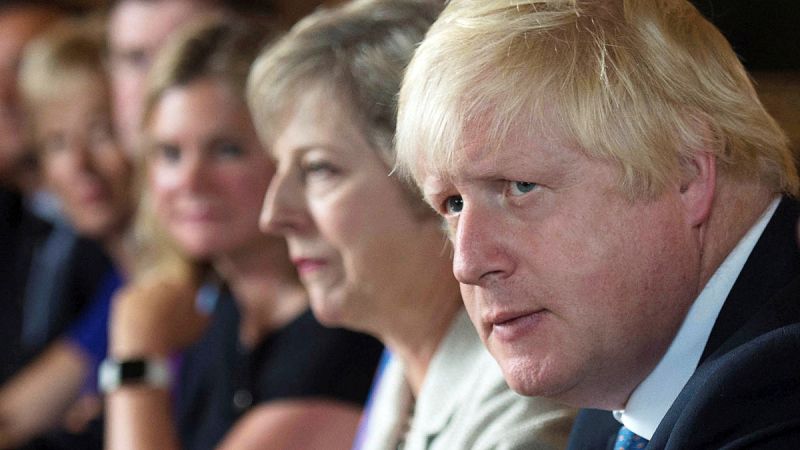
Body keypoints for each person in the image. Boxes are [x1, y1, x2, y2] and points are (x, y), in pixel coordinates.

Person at [392, 0, 800, 448]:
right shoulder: (616, 404)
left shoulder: (779, 395)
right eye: (452, 204)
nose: (467, 264)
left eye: (520, 186)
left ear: (684, 172)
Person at [251, 1, 574, 449]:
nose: (274, 215)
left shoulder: (528, 397)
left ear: (429, 181)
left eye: (318, 169)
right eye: (280, 169)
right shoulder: (400, 376)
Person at [105, 15, 382, 450]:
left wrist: (135, 364)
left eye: (227, 150)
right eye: (170, 153)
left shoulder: (344, 329)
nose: (191, 183)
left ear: (290, 157)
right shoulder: (212, 315)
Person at [0, 16, 135, 449]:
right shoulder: (123, 281)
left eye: (101, 133)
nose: (78, 166)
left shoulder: (184, 284)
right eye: (57, 142)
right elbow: (19, 412)